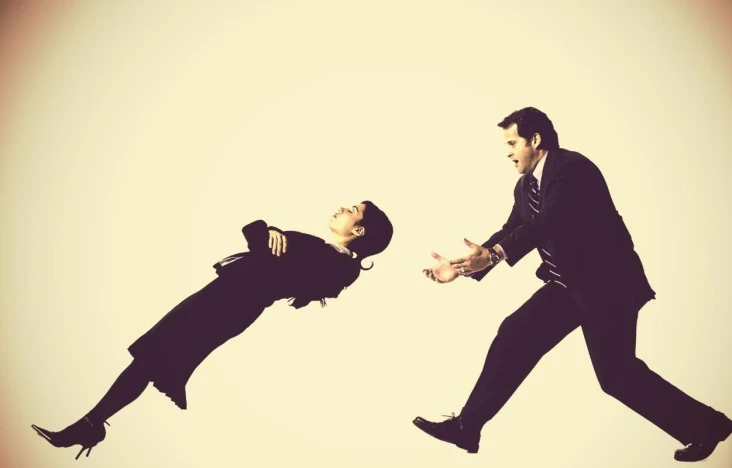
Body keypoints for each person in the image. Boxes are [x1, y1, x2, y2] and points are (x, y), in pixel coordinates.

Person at [413, 107, 731, 463]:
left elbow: (547, 223)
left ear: (535, 140)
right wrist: (465, 265)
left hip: (609, 286)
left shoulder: (572, 169)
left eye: (512, 143)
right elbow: (513, 229)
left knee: (617, 376)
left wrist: (495, 255)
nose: (508, 152)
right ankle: (467, 427)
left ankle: (709, 427)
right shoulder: (526, 186)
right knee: (514, 334)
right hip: (568, 286)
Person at [31, 201, 393, 459]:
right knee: (149, 361)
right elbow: (257, 237)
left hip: (228, 304)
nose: (342, 208)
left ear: (358, 230)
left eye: (352, 210)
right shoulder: (323, 254)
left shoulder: (331, 260)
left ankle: (90, 424)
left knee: (150, 359)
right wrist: (272, 232)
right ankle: (91, 423)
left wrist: (270, 232)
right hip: (224, 299)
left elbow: (258, 240)